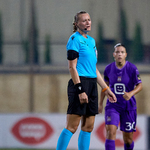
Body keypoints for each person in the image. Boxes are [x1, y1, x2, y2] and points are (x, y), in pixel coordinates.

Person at [56, 11, 116, 150]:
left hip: (92, 84)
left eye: (89, 20)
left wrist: (106, 89)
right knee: (72, 126)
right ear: (76, 24)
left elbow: (93, 69)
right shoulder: (74, 39)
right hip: (80, 84)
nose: (88, 22)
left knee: (88, 127)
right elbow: (72, 67)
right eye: (84, 20)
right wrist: (80, 90)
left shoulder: (91, 41)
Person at [98, 43, 142, 150]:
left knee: (128, 140)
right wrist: (100, 104)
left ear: (126, 54)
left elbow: (140, 85)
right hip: (113, 106)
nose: (119, 54)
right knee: (110, 132)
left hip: (128, 107)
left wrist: (130, 94)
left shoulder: (132, 68)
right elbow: (105, 87)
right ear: (113, 54)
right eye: (117, 52)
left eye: (122, 52)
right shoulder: (108, 69)